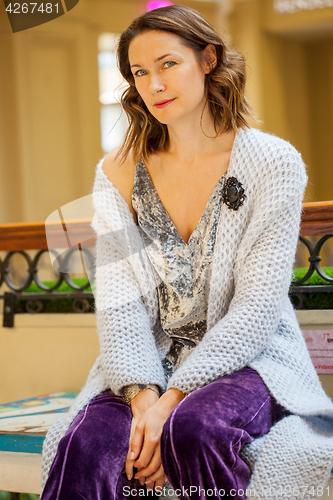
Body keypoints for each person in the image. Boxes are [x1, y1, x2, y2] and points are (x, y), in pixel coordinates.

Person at [40, 5, 333, 500]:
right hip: (146, 364)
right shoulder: (116, 173)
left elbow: (258, 309)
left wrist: (172, 401)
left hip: (251, 360)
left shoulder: (275, 163)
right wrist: (143, 397)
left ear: (208, 60)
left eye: (168, 63)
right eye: (140, 72)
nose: (154, 83)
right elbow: (118, 303)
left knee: (194, 429)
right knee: (88, 444)